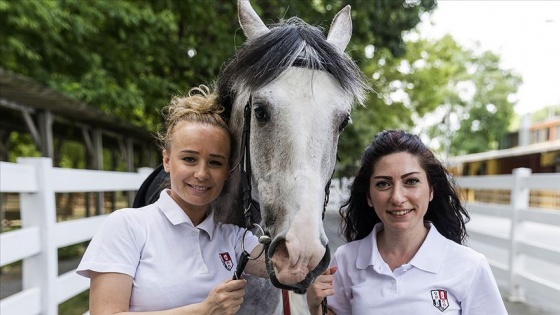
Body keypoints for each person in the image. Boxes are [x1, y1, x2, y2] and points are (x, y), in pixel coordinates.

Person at [77, 85, 268, 314]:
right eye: (189, 159)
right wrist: (204, 310)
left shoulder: (232, 238)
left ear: (228, 171)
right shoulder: (127, 226)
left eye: (215, 162)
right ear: (167, 161)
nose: (201, 173)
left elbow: (289, 268)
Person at [307, 130, 507, 315]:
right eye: (383, 184)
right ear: (369, 196)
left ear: (431, 190)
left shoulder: (469, 265)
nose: (397, 197)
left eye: (411, 181)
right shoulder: (346, 259)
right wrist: (315, 306)